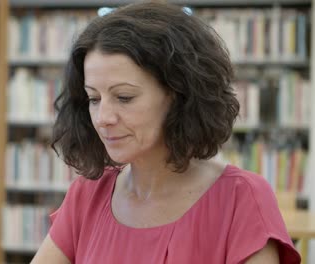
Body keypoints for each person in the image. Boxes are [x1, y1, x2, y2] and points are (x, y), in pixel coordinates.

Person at [31, 2, 301, 264]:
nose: (103, 119)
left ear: (179, 95)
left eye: (124, 97)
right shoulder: (87, 194)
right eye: (93, 98)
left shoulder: (242, 200)